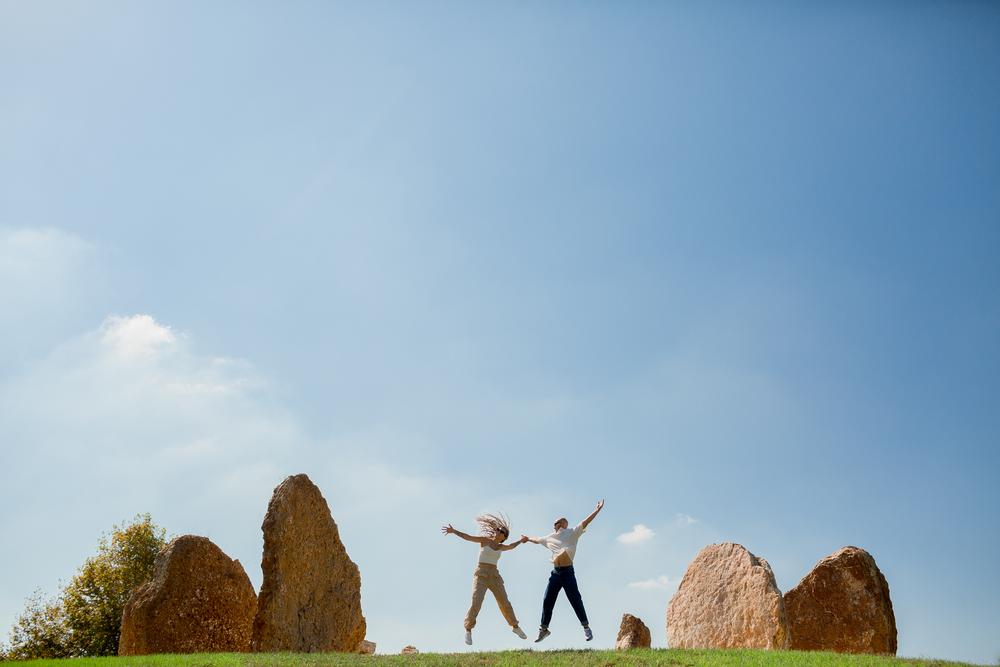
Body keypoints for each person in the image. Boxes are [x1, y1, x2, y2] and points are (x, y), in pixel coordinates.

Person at [521, 499, 604, 643]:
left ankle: (586, 627)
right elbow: (537, 539)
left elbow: (585, 522)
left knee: (575, 599)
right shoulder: (549, 537)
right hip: (555, 573)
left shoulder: (572, 532)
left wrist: (596, 510)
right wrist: (527, 538)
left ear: (565, 524)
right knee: (548, 599)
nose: (559, 523)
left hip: (567, 572)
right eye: (557, 522)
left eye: (561, 521)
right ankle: (543, 629)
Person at [442, 513, 529, 645]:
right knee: (476, 602)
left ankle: (515, 627)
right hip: (481, 574)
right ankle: (468, 629)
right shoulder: (485, 540)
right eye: (498, 529)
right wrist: (454, 531)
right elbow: (468, 537)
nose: (498, 531)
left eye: (501, 531)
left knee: (504, 602)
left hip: (494, 576)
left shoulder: (501, 547)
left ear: (504, 537)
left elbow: (511, 546)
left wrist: (521, 541)